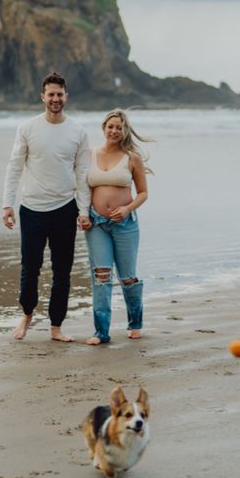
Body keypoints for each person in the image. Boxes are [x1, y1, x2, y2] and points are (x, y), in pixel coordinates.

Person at [2, 71, 91, 342]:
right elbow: (14, 168)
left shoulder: (78, 131)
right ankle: (27, 314)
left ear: (66, 97)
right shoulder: (28, 128)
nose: (55, 99)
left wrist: (84, 211)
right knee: (30, 267)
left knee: (62, 271)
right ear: (43, 96)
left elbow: (82, 174)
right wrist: (7, 204)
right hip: (32, 209)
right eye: (51, 94)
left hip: (65, 209)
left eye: (59, 94)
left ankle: (56, 326)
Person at [80, 108, 152, 344]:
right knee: (101, 275)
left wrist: (127, 209)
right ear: (103, 128)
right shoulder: (89, 154)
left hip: (125, 225)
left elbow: (143, 193)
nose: (114, 131)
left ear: (124, 131)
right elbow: (82, 189)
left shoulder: (132, 158)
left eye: (119, 127)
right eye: (111, 126)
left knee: (128, 277)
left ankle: (135, 323)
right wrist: (82, 214)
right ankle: (101, 332)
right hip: (96, 224)